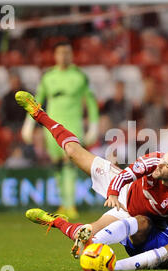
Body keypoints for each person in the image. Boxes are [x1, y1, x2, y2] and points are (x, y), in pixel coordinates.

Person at [15, 90, 168, 271]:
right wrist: (113, 193)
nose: (161, 165)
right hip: (124, 193)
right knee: (73, 152)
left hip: (139, 220)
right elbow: (124, 176)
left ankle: (57, 222)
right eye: (164, 159)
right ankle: (39, 114)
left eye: (167, 165)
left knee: (85, 242)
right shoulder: (154, 160)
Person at [21, 41, 100, 219]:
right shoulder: (48, 77)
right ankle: (63, 204)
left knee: (69, 165)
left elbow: (91, 102)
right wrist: (28, 124)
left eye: (67, 53)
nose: (64, 56)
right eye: (60, 53)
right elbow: (36, 101)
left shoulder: (80, 76)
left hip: (73, 127)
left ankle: (71, 205)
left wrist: (93, 126)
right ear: (55, 55)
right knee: (57, 166)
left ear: (72, 55)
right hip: (51, 127)